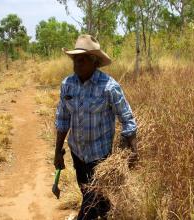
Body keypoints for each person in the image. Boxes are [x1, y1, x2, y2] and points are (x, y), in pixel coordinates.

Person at [54, 34, 138, 220]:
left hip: (100, 157)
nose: (76, 65)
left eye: (81, 60)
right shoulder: (68, 85)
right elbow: (62, 118)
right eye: (75, 60)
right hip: (77, 153)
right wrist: (57, 151)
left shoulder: (109, 87)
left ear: (94, 62)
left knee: (91, 204)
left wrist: (133, 150)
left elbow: (127, 118)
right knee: (90, 194)